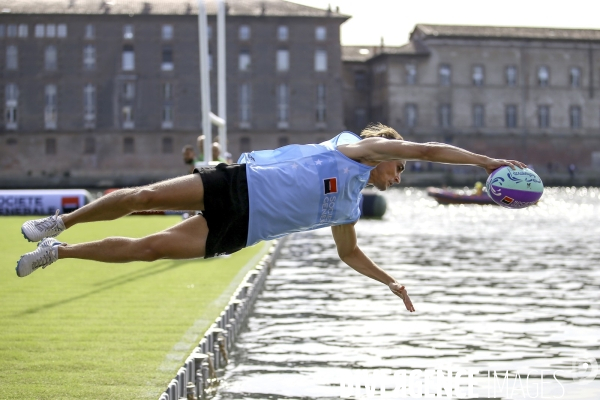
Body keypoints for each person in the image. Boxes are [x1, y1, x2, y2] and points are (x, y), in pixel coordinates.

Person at [16, 123, 527, 312]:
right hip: (240, 182)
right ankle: (62, 223)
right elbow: (434, 149)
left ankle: (56, 253)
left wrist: (389, 281)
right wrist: (487, 163)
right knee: (143, 195)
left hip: (244, 229)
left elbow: (349, 253)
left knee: (148, 247)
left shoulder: (350, 204)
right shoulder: (358, 150)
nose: (400, 175)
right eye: (401, 166)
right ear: (385, 150)